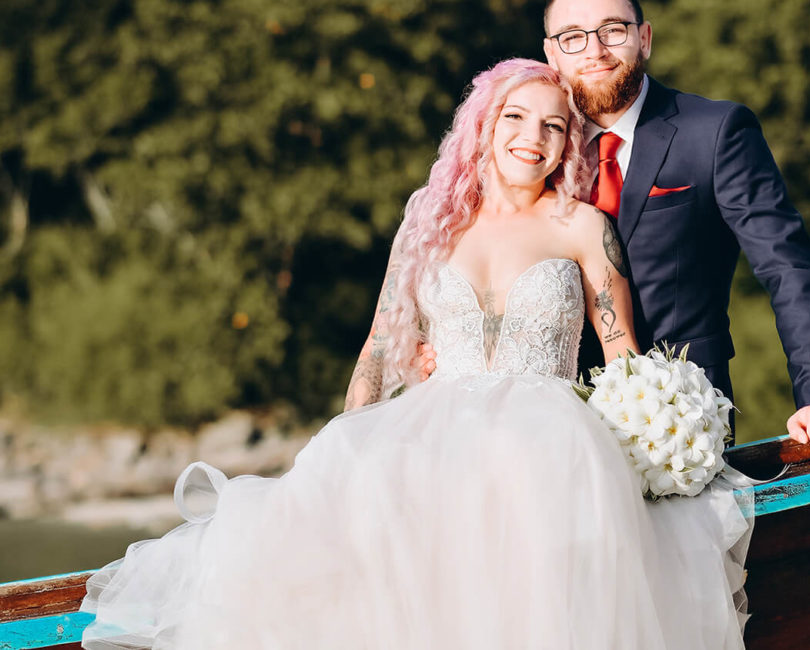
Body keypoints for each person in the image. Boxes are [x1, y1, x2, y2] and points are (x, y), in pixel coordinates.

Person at [80, 59, 752, 649]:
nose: (533, 137)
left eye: (554, 126)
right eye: (516, 117)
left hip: (547, 441)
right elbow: (380, 342)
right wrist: (343, 445)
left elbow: (620, 352)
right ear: (483, 126)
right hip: (433, 425)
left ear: (568, 141)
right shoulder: (430, 217)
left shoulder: (580, 225)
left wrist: (652, 436)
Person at [541, 0, 810, 446]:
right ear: (553, 54)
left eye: (613, 30)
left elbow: (787, 266)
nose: (594, 50)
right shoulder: (530, 146)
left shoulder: (716, 131)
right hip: (556, 424)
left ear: (644, 38)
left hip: (684, 420)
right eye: (573, 37)